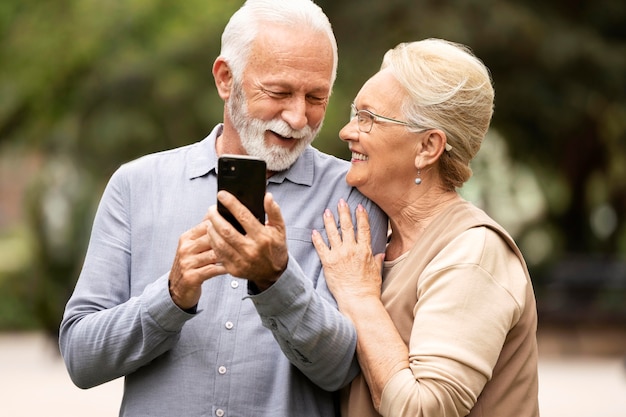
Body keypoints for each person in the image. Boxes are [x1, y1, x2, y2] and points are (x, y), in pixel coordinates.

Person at [58, 1, 388, 416]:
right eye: (280, 92)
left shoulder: (353, 196)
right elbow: (80, 358)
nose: (299, 116)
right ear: (225, 79)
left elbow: (342, 370)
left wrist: (276, 281)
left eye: (316, 96)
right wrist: (171, 296)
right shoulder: (135, 185)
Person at [311, 39, 539, 417]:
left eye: (368, 117)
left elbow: (421, 410)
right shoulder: (372, 244)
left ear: (427, 147)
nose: (347, 131)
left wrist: (359, 298)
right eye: (355, 113)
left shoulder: (473, 253)